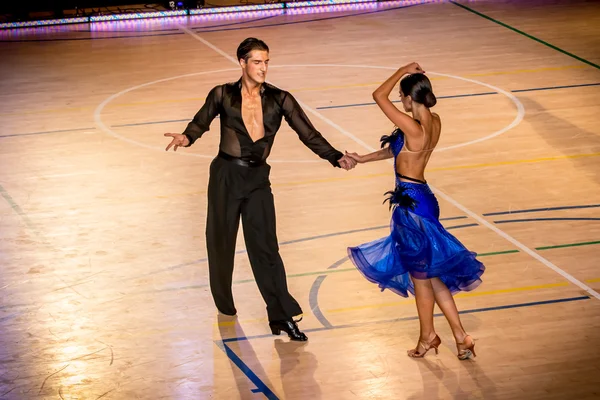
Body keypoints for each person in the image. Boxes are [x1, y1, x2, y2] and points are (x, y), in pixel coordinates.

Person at [164, 37, 356, 342]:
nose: (263, 67)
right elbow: (199, 124)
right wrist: (186, 138)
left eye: (266, 61)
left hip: (257, 181)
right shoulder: (222, 94)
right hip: (225, 176)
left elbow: (308, 133)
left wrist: (334, 156)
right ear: (242, 62)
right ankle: (225, 304)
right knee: (220, 243)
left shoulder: (281, 99)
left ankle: (282, 316)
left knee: (266, 249)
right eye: (257, 61)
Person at [345, 62, 484, 359]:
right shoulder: (434, 121)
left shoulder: (413, 127)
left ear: (410, 97)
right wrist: (362, 158)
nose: (399, 101)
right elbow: (395, 149)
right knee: (433, 277)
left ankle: (427, 338)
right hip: (425, 199)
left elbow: (377, 95)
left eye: (401, 96)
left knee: (421, 280)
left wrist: (401, 70)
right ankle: (461, 338)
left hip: (411, 209)